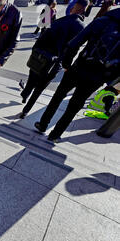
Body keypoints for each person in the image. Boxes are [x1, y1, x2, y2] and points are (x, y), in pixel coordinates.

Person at [34, 8, 120, 142]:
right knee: (75, 105)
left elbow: (74, 43)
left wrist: (67, 64)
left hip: (80, 65)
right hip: (97, 75)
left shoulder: (101, 21)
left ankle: (43, 124)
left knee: (58, 95)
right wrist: (108, 80)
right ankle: (55, 135)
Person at [19, 0, 88, 119]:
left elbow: (43, 36)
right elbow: (73, 50)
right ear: (84, 9)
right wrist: (66, 65)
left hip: (40, 57)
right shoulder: (81, 27)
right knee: (39, 88)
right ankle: (25, 110)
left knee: (31, 79)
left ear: (74, 8)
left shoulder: (60, 21)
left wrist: (35, 51)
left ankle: (25, 95)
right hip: (54, 64)